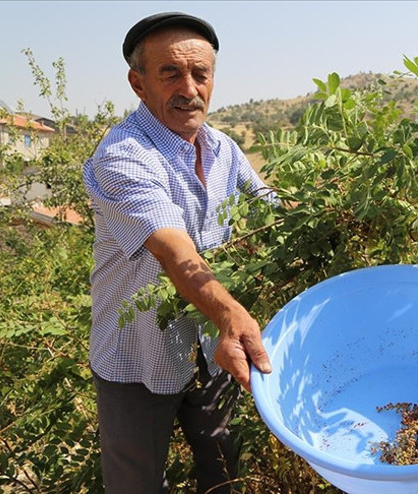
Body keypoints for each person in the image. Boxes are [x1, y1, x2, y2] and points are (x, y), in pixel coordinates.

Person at [82, 12, 274, 494]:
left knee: (223, 473)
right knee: (136, 484)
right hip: (137, 354)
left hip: (212, 351)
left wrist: (337, 211)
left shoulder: (223, 148)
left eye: (200, 73)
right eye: (169, 72)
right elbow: (176, 253)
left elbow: (274, 208)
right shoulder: (122, 156)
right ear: (138, 83)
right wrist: (233, 315)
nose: (188, 87)